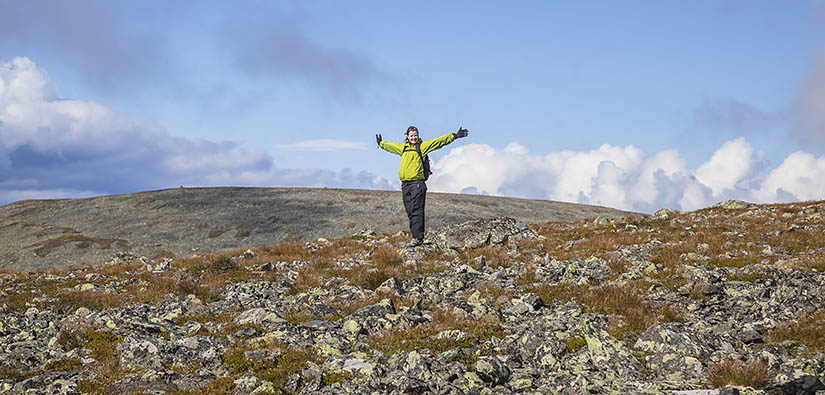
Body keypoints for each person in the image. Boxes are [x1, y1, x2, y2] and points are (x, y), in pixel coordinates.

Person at [376, 125, 469, 246]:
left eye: (415, 136)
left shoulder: (422, 147)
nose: (413, 138)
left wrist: (454, 136)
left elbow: (438, 142)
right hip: (405, 185)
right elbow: (391, 146)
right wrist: (381, 143)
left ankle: (418, 238)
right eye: (411, 136)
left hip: (417, 184)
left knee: (416, 211)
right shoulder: (403, 148)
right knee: (410, 211)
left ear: (418, 136)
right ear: (407, 136)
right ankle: (416, 236)